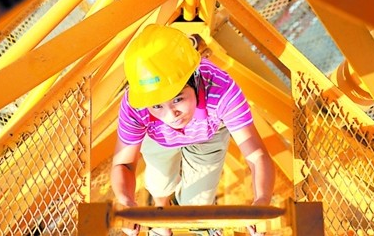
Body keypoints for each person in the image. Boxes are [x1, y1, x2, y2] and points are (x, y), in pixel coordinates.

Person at [111, 24, 276, 236]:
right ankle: (163, 216)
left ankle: (194, 218)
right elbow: (124, 163)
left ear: (196, 78)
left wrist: (261, 200)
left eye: (178, 99)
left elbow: (257, 155)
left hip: (208, 132)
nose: (171, 115)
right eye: (157, 105)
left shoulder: (222, 89)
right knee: (159, 183)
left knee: (196, 205)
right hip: (158, 135)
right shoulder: (137, 105)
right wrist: (125, 201)